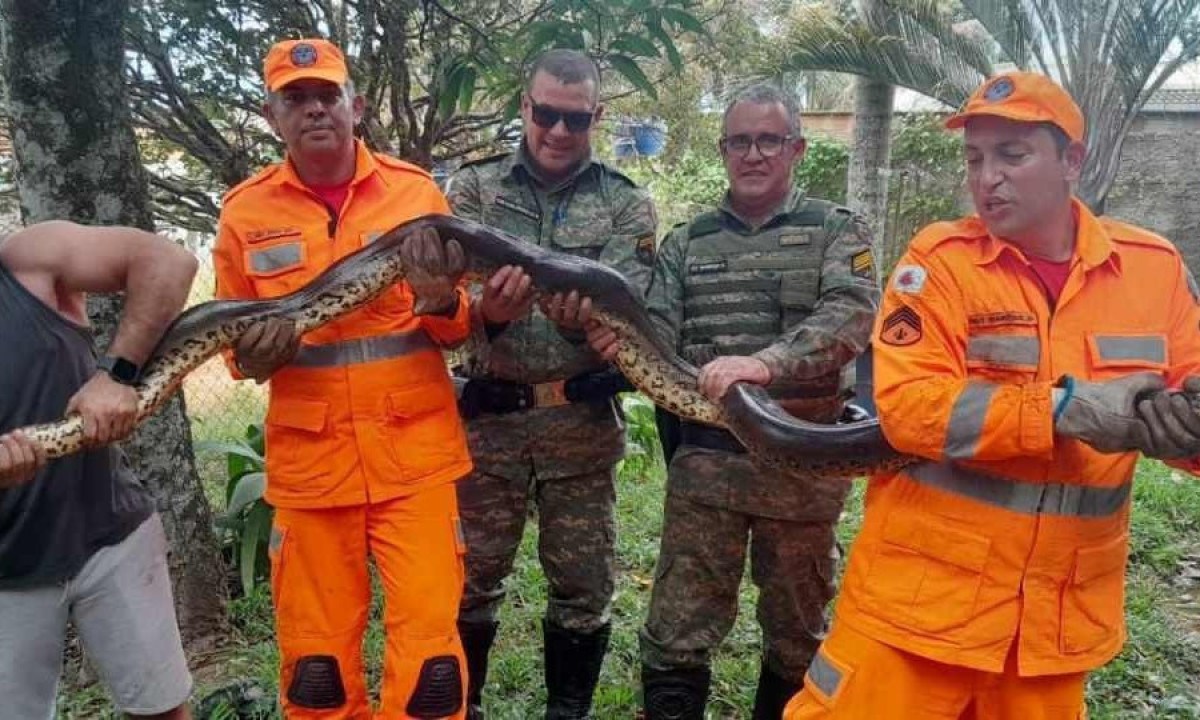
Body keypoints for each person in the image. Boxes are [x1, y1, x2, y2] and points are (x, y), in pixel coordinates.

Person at [782, 71, 1200, 719]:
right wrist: (1063, 409)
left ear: (1072, 161)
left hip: (1051, 633)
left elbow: (1188, 399)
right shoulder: (941, 264)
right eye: (975, 158)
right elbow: (909, 408)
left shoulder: (1153, 270)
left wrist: (1189, 434)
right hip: (916, 618)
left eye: (1012, 155)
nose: (987, 177)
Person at [588, 83, 879, 719]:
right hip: (706, 472)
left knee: (797, 634)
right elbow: (657, 337)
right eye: (740, 141)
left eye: (768, 140)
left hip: (799, 471)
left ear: (796, 148)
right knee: (676, 632)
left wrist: (763, 365)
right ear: (722, 149)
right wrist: (610, 340)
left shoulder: (837, 229)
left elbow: (850, 315)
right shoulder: (686, 242)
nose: (753, 153)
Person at [212, 38, 474, 719]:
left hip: (414, 460)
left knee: (431, 668)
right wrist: (256, 354)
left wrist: (442, 298)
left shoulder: (415, 193)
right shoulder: (245, 212)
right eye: (295, 99)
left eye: (327, 95)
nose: (315, 110)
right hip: (311, 466)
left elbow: (456, 326)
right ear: (272, 117)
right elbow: (233, 352)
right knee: (317, 668)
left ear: (354, 105)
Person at [443, 49, 658, 719]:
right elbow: (441, 308)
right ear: (524, 106)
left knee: (582, 587)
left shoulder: (626, 204)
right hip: (488, 426)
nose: (559, 132)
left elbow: (626, 311)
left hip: (581, 430)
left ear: (596, 115)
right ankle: (466, 709)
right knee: (470, 582)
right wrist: (489, 317)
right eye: (546, 114)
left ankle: (568, 713)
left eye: (575, 118)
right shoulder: (473, 193)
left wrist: (574, 330)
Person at [0, 221, 198, 720]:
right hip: (6, 570)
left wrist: (118, 375)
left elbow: (169, 262)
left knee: (161, 710)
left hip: (111, 538)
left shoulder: (27, 259)